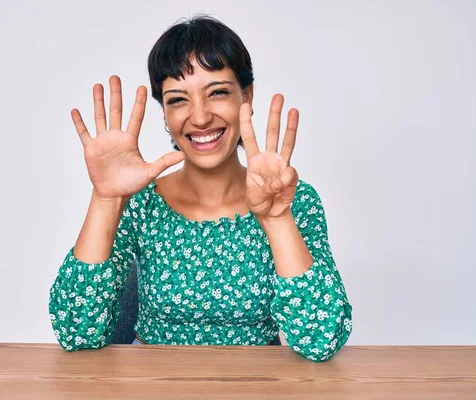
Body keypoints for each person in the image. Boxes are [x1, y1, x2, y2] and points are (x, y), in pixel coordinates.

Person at [48, 15, 353, 362]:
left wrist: (277, 218)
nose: (201, 117)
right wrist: (106, 198)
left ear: (246, 95)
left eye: (218, 92)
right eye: (178, 99)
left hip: (259, 386)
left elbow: (322, 339)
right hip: (154, 384)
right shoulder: (141, 203)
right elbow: (75, 332)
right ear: (164, 112)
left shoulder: (293, 200)